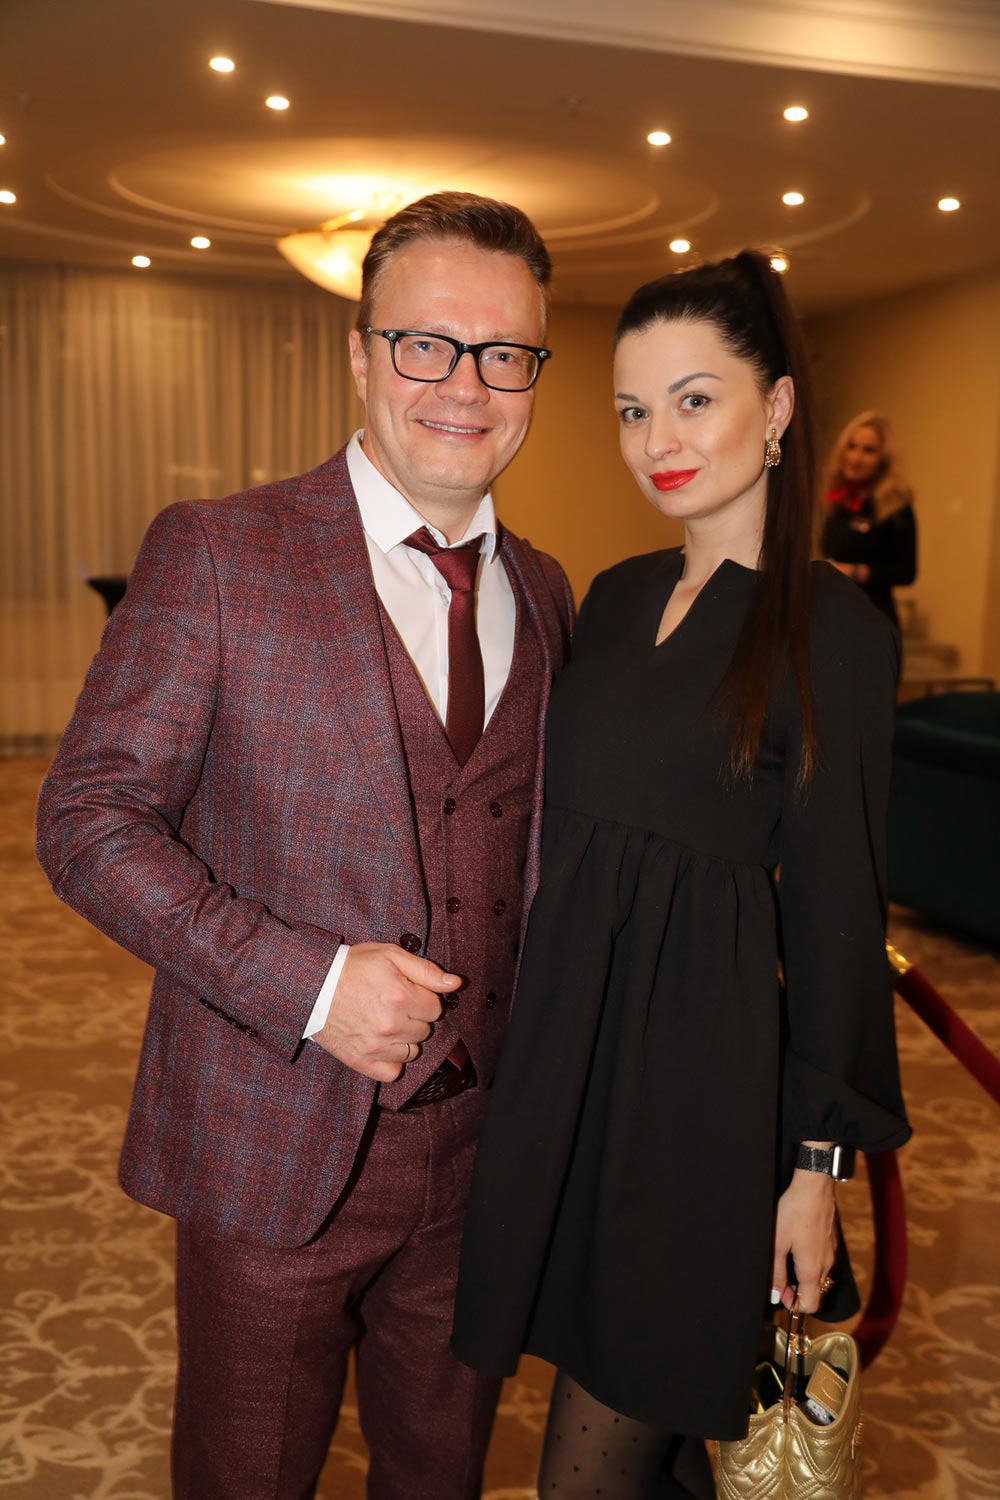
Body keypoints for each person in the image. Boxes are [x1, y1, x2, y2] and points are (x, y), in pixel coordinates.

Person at [35, 190, 573, 1500]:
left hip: (486, 1157)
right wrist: (315, 985)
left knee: (439, 1474)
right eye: (425, 343)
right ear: (360, 355)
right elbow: (88, 818)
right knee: (248, 1475)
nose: (465, 384)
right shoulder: (221, 551)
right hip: (273, 1144)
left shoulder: (549, 588)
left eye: (505, 352)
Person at [452, 252, 911, 1498]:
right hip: (574, 1072)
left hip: (700, 1107)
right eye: (631, 408)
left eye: (694, 399)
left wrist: (814, 1173)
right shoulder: (612, 597)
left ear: (775, 408)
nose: (657, 439)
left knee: (592, 1465)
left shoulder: (831, 632)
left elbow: (835, 915)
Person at [820, 410, 917, 628]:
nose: (855, 458)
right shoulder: (836, 501)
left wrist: (853, 571)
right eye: (851, 446)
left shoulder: (896, 505)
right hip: (835, 614)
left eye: (868, 450)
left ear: (883, 458)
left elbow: (906, 572)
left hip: (874, 617)